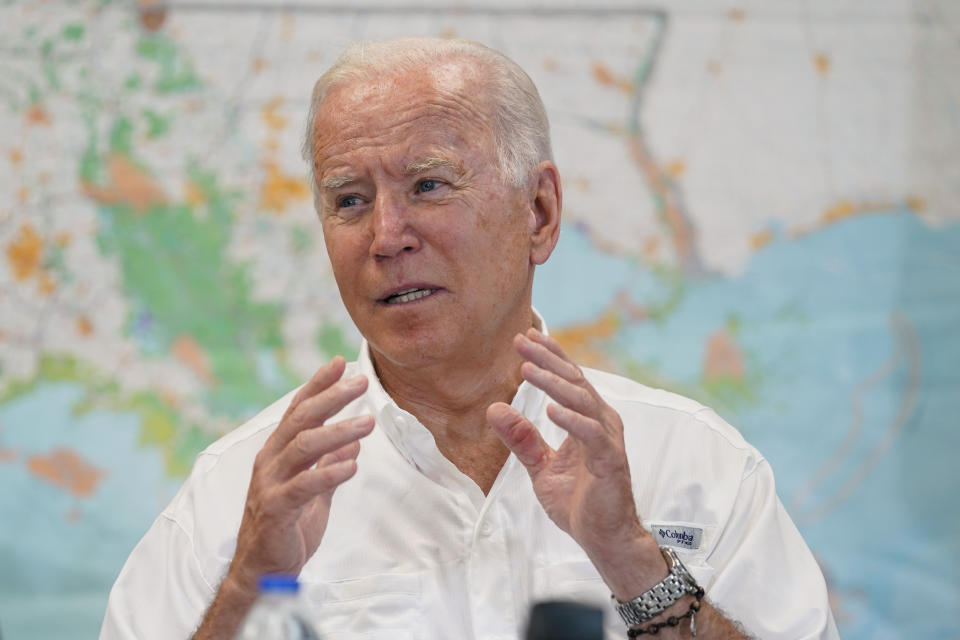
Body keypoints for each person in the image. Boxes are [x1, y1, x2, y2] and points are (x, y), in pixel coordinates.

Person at [100, 38, 838, 640]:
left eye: (428, 185)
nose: (387, 237)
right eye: (350, 201)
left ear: (540, 213)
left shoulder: (697, 465)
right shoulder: (238, 500)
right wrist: (247, 592)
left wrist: (635, 564)